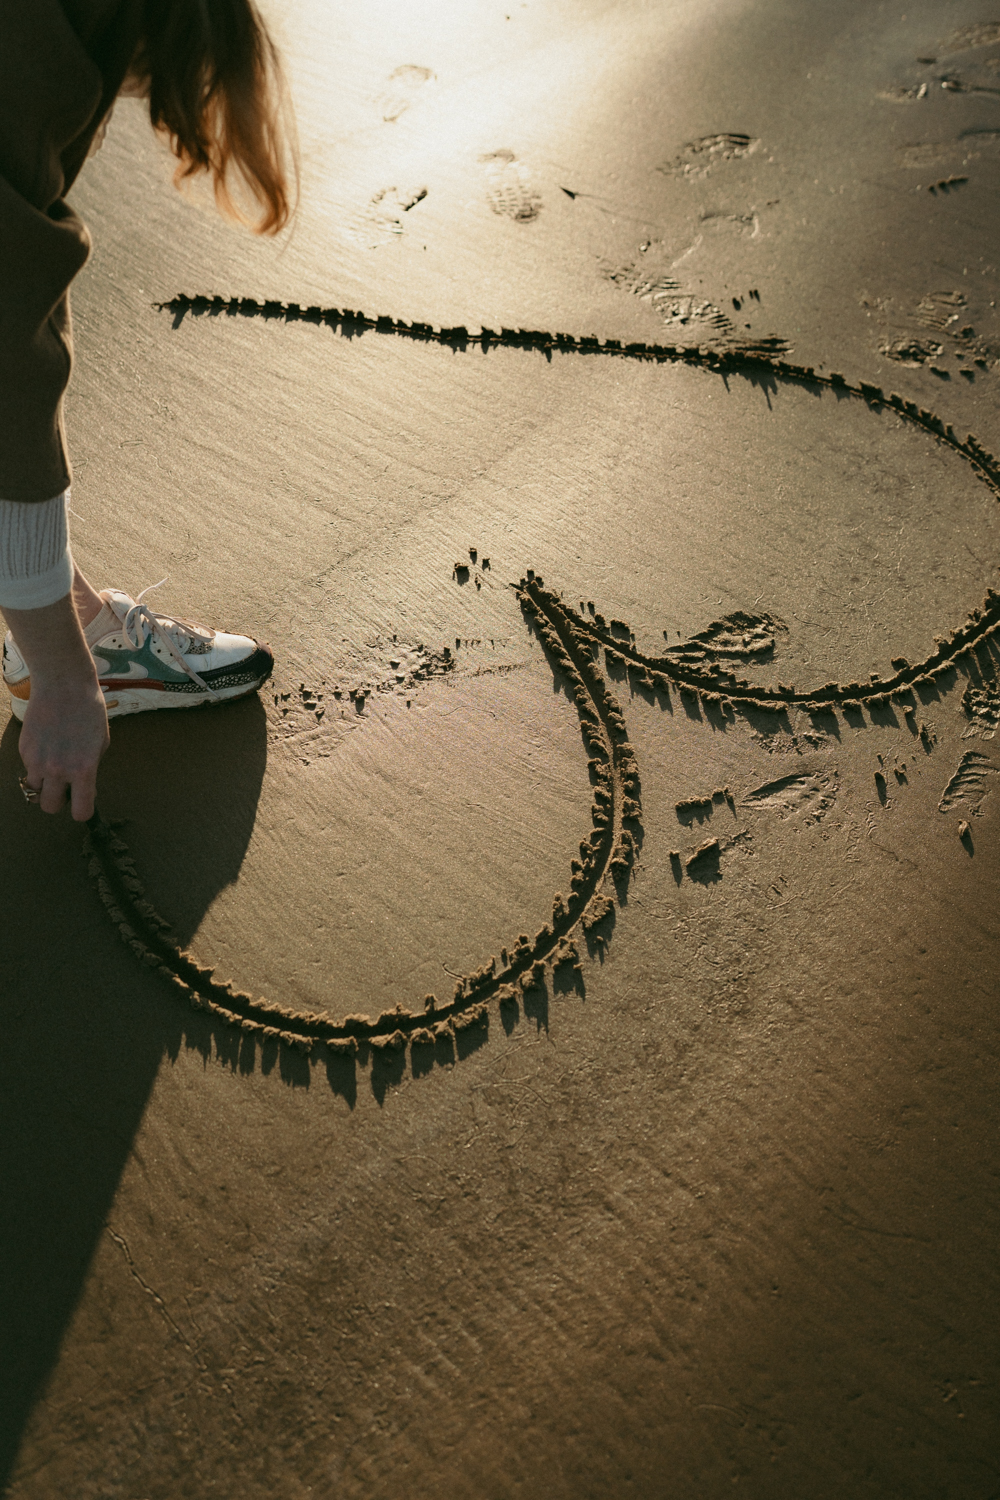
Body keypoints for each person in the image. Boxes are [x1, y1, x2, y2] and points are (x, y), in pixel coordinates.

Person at [0, 0, 295, 821]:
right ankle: (65, 652)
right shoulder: (24, 66)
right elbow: (7, 369)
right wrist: (60, 682)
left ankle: (75, 627)